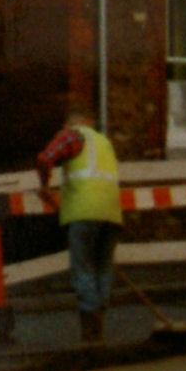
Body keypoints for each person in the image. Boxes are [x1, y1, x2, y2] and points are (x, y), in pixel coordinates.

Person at [36, 113, 123, 343]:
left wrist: (44, 186)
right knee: (103, 270)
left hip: (84, 214)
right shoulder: (105, 143)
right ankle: (99, 327)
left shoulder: (73, 135)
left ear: (68, 124)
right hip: (112, 214)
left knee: (83, 269)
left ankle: (90, 333)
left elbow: (45, 159)